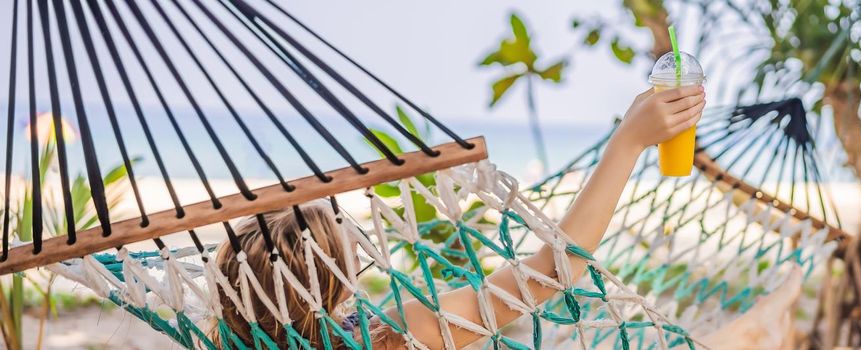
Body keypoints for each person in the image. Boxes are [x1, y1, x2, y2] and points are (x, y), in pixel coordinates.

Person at [212, 85, 803, 349]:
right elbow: (547, 275)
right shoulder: (388, 336)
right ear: (330, 283)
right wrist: (625, 145)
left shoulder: (224, 340)